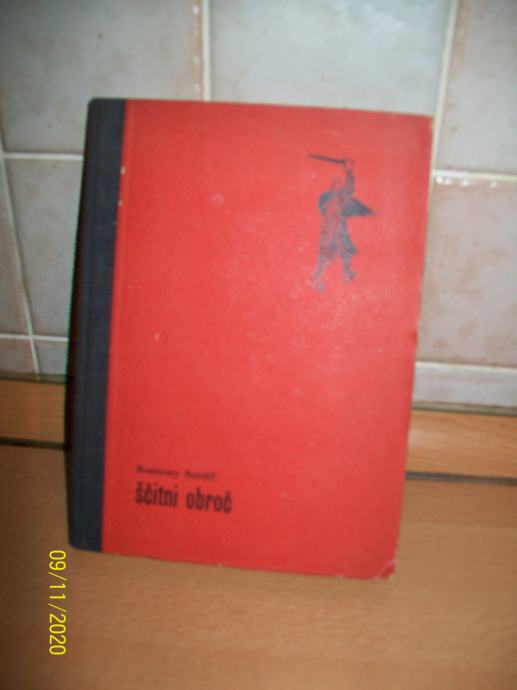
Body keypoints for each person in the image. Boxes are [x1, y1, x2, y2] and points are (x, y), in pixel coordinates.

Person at [312, 161, 373, 290]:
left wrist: (349, 172)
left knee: (346, 253)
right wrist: (349, 171)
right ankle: (315, 280)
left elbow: (349, 189)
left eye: (339, 186)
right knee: (326, 258)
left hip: (339, 232)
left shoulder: (337, 199)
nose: (340, 188)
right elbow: (348, 191)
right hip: (331, 233)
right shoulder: (331, 201)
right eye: (337, 186)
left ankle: (346, 274)